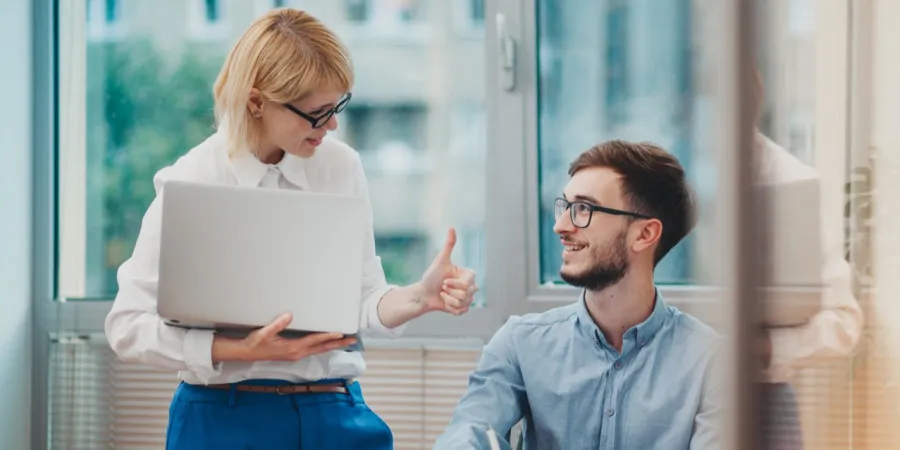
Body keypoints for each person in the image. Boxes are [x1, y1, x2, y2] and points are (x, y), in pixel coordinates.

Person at [104, 9, 478, 450]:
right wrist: (238, 350)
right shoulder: (193, 178)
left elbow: (358, 302)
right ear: (257, 102)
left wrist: (418, 297)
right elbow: (127, 326)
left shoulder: (341, 167)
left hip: (335, 412)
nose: (333, 125)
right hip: (223, 417)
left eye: (338, 107)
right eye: (318, 113)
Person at [434, 141, 720, 449]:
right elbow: (469, 431)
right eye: (566, 206)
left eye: (584, 209)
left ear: (644, 234)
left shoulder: (712, 362)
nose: (560, 226)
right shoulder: (520, 342)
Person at [751, 70, 863, 450]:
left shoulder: (791, 182)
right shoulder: (651, 178)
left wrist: (764, 347)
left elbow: (843, 323)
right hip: (663, 395)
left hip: (761, 401)